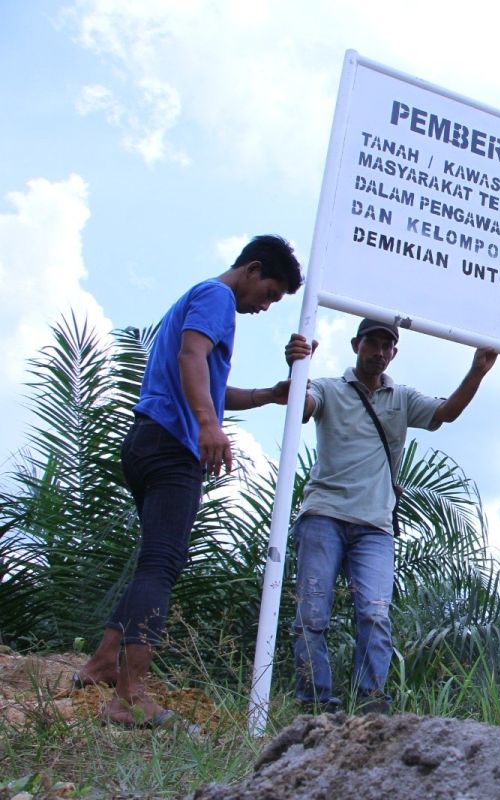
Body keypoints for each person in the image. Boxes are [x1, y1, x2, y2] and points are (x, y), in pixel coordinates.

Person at [73, 234, 303, 728]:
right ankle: (131, 696)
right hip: (172, 448)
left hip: (145, 442)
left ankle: (101, 664)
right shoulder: (217, 296)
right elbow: (191, 357)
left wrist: (267, 394)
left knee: (154, 560)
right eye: (269, 293)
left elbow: (213, 385)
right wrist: (206, 426)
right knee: (161, 565)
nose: (265, 306)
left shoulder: (201, 298)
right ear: (252, 268)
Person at [284, 319, 497, 714]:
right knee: (311, 611)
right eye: (372, 343)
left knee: (375, 612)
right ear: (356, 345)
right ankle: (314, 700)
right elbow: (303, 404)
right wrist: (298, 368)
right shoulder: (329, 389)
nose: (379, 352)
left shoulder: (402, 398)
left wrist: (477, 371)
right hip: (323, 515)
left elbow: (447, 413)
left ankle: (370, 701)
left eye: (387, 346)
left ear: (394, 353)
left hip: (375, 527)